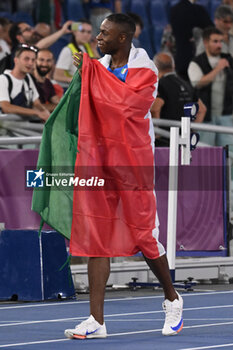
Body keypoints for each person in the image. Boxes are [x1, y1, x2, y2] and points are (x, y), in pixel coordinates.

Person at [63, 13, 183, 339]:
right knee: (96, 237)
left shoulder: (146, 67)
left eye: (104, 33)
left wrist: (89, 71)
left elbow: (126, 104)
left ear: (122, 38)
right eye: (98, 32)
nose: (98, 37)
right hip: (100, 160)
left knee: (145, 236)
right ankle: (96, 321)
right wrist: (87, 72)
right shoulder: (97, 67)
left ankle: (172, 298)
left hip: (133, 162)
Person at [188, 26, 233, 146]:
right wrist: (218, 69)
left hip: (226, 115)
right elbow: (198, 83)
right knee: (206, 154)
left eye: (221, 41)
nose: (219, 45)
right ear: (205, 42)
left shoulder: (228, 59)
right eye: (215, 41)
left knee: (229, 153)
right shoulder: (196, 62)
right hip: (205, 117)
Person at [151, 52, 206, 147]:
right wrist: (191, 130)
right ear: (173, 66)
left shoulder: (160, 85)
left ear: (155, 67)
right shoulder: (186, 84)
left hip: (165, 140)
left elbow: (155, 109)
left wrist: (157, 131)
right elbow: (202, 109)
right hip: (184, 139)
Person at [0, 44, 50, 121]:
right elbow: (6, 107)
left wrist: (44, 111)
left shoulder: (28, 78)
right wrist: (36, 113)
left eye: (33, 60)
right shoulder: (3, 79)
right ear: (16, 60)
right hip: (7, 127)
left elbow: (36, 103)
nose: (30, 63)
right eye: (26, 59)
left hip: (24, 124)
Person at [170, 0, 213, 80]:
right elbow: (211, 30)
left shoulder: (173, 9)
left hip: (180, 58)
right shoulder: (197, 10)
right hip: (196, 57)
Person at [54, 19, 99, 85]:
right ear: (74, 32)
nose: (86, 34)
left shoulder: (89, 47)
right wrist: (82, 80)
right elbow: (57, 76)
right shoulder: (67, 50)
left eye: (89, 32)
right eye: (82, 31)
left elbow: (100, 69)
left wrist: (94, 49)